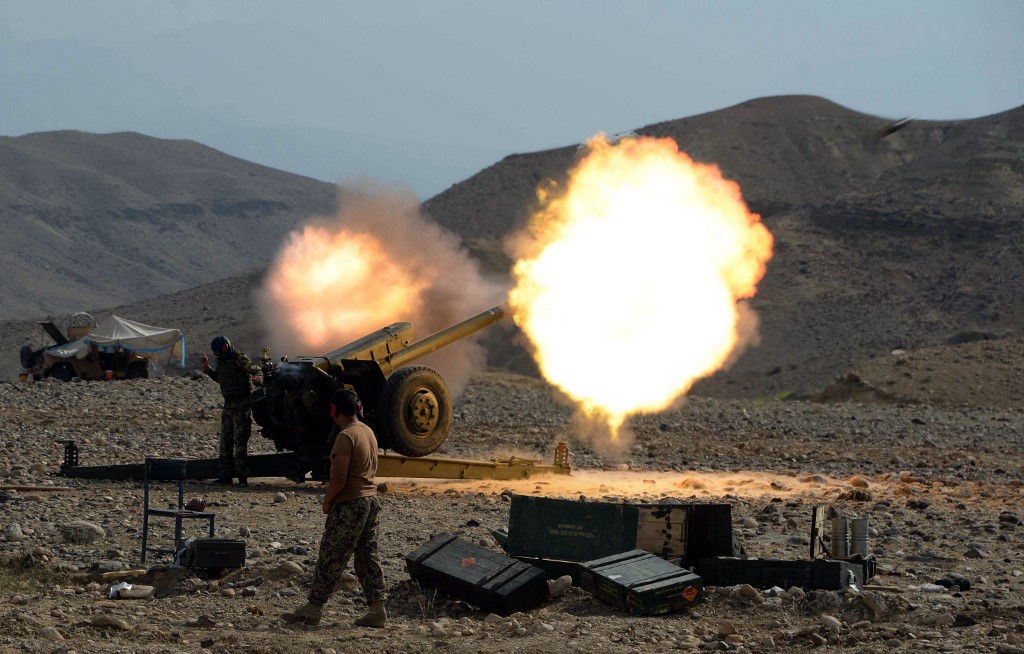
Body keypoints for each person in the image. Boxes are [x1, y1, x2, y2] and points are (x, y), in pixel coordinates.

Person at [282, 389, 387, 628]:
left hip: (350, 504)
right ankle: (377, 609)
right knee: (367, 557)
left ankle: (313, 608)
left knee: (331, 555)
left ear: (334, 410)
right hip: (369, 501)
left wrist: (328, 501)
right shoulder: (367, 431)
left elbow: (338, 479)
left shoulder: (345, 437)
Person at [200, 335, 261, 485]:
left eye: (217, 352)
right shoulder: (221, 362)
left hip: (241, 406)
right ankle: (225, 476)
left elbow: (254, 369)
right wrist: (207, 369)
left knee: (240, 441)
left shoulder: (238, 357)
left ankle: (242, 477)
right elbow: (220, 378)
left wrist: (257, 378)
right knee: (225, 441)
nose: (216, 355)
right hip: (229, 406)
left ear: (224, 348)